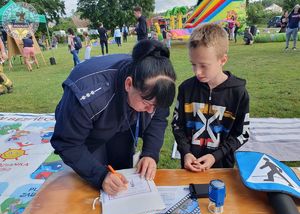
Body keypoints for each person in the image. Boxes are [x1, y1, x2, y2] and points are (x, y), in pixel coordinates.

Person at [50, 40, 176, 195]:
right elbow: (68, 143)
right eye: (147, 103)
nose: (151, 111)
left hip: (123, 124)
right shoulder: (87, 96)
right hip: (89, 135)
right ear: (129, 84)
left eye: (156, 106)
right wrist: (100, 176)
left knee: (122, 175)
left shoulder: (158, 87)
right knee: (91, 186)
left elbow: (158, 118)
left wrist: (150, 153)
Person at [172, 23, 249, 172]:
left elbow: (241, 134)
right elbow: (177, 125)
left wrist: (216, 156)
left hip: (222, 168)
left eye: (204, 66)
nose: (197, 72)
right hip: (190, 166)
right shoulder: (186, 89)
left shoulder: (238, 93)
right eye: (193, 64)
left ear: (223, 60)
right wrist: (186, 152)